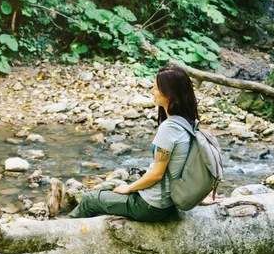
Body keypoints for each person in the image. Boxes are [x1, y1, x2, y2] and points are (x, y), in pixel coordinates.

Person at [69, 64, 198, 222]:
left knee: (89, 200)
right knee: (112, 191)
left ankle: (59, 235)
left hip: (152, 206)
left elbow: (157, 174)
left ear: (169, 94)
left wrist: (130, 188)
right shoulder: (188, 123)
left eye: (156, 88)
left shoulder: (169, 128)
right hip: (170, 201)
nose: (152, 91)